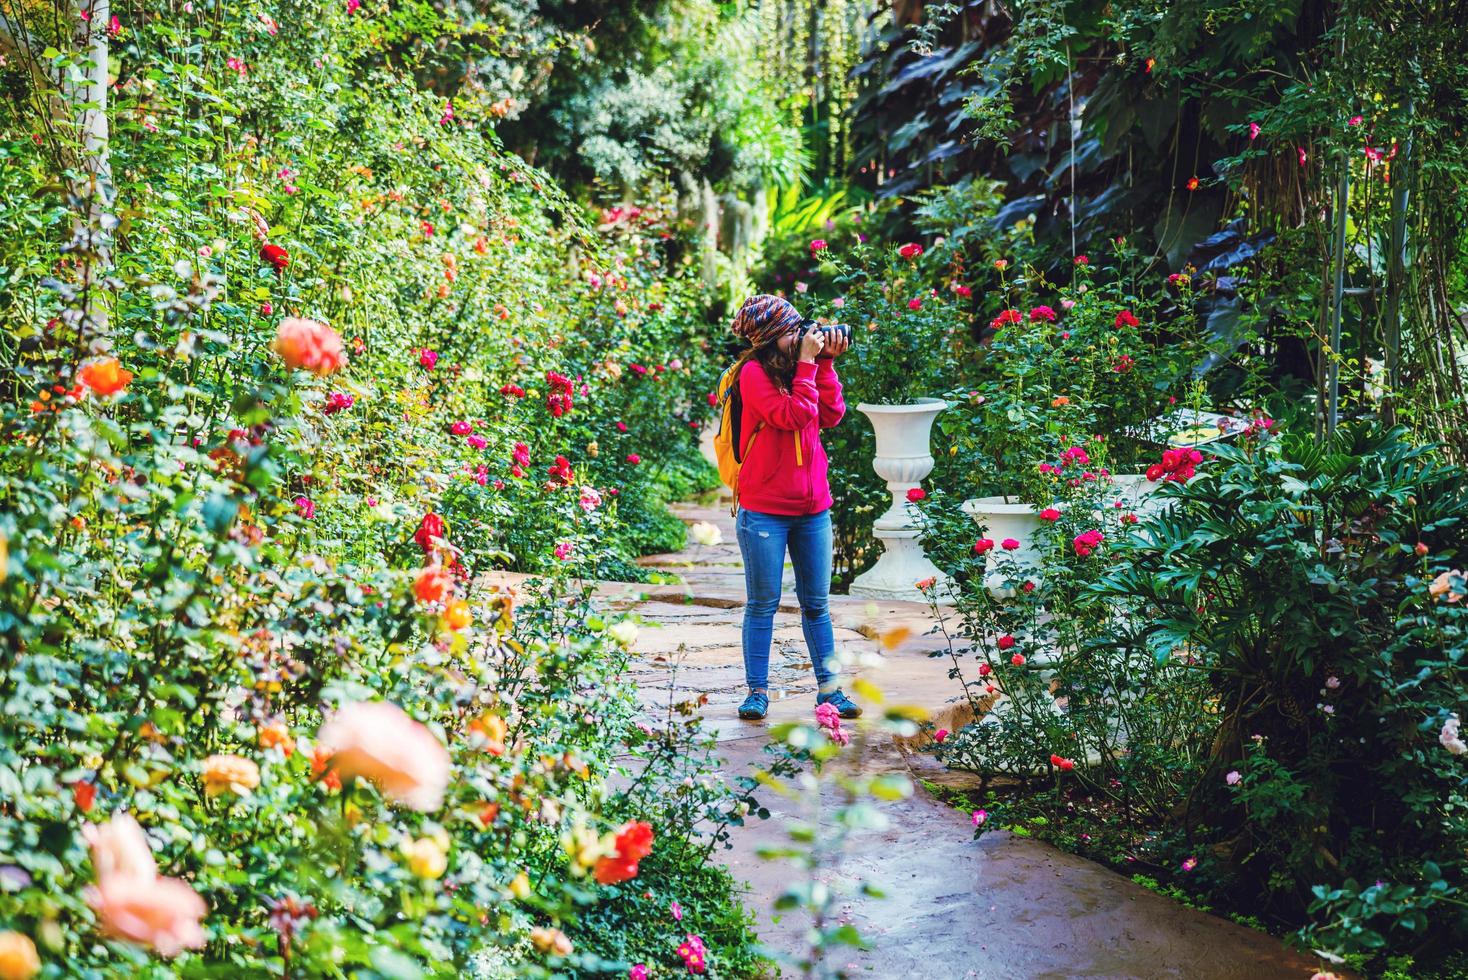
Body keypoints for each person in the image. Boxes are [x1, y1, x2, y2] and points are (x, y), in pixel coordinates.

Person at [727, 295, 861, 722]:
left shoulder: (800, 369)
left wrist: (825, 365)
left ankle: (831, 693)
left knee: (817, 604)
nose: (801, 337)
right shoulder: (751, 374)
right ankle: (757, 692)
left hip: (813, 509)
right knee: (763, 603)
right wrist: (808, 365)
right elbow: (790, 415)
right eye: (791, 332)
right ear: (770, 339)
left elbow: (830, 413)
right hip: (764, 509)